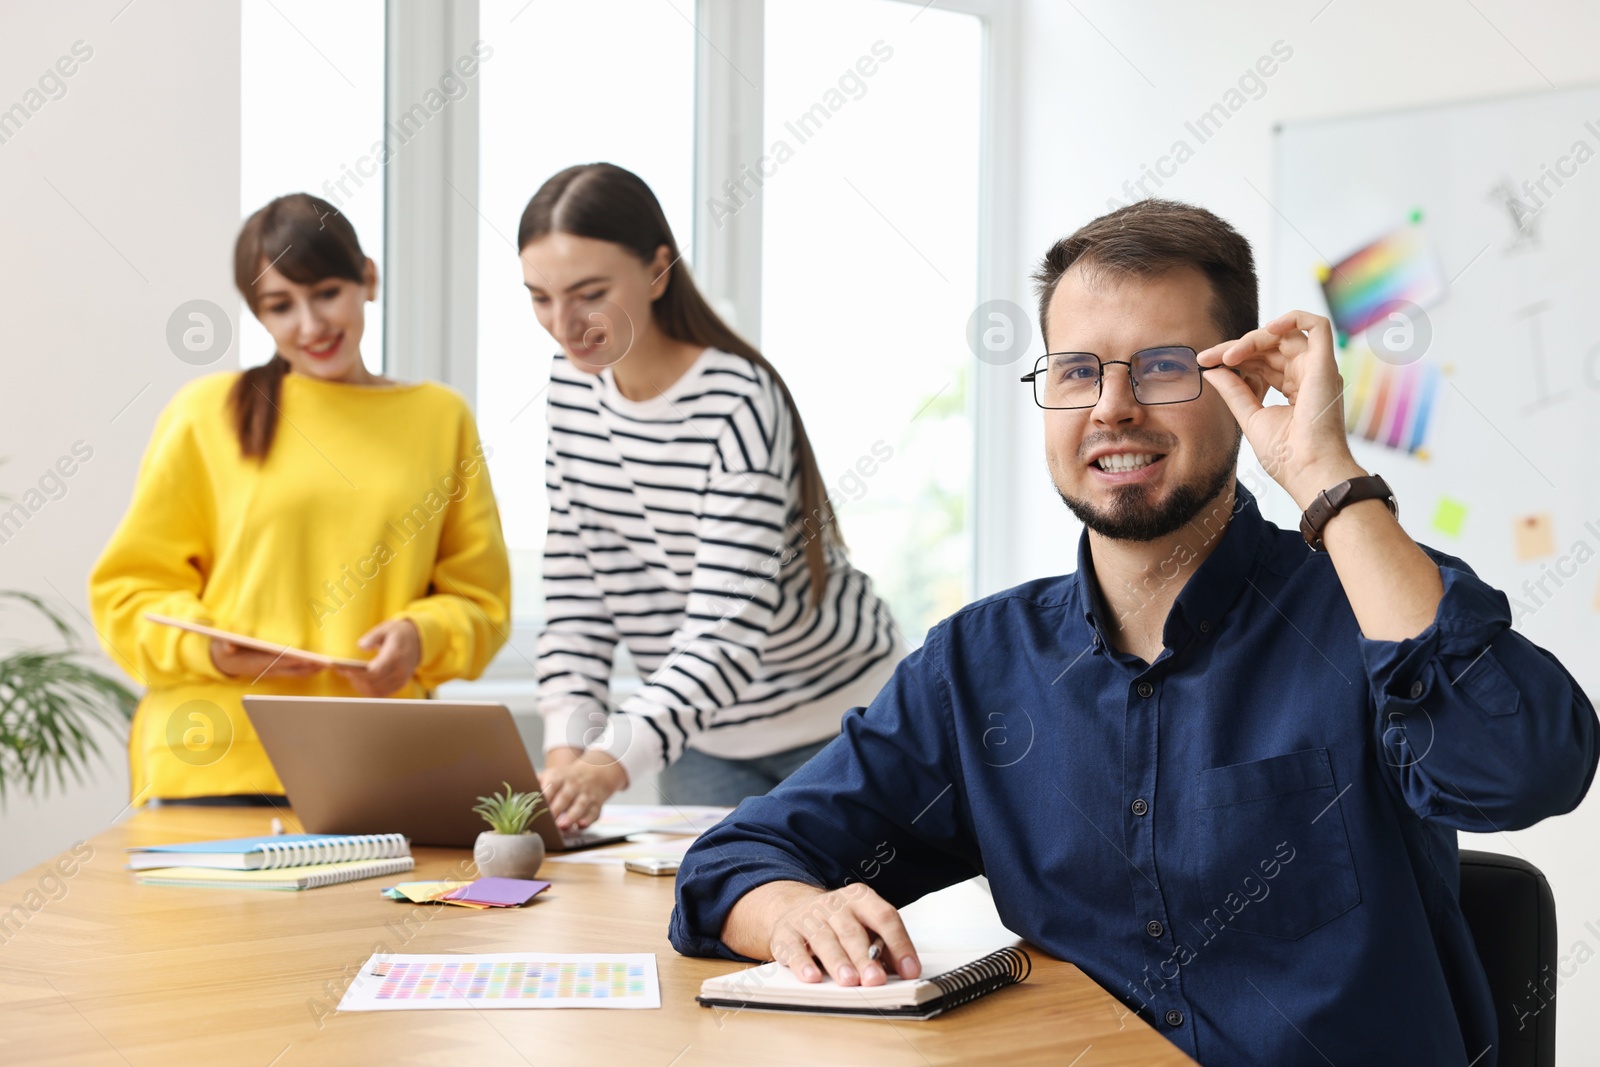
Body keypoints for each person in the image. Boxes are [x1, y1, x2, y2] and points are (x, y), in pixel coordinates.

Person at [668, 199, 1598, 1065]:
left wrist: (1323, 473)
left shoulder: (1369, 600)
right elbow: (733, 860)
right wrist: (792, 907)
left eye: (1161, 366)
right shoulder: (978, 668)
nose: (1111, 406)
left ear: (1239, 381)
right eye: (1077, 371)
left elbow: (1528, 769)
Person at [90, 194, 512, 805]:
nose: (310, 326)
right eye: (280, 306)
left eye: (326, 293)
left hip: (376, 762)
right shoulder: (205, 414)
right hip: (213, 759)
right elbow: (126, 596)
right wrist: (209, 648)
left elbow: (482, 603)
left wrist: (424, 636)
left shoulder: (439, 418)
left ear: (367, 278)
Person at [521, 163, 904, 829]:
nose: (564, 324)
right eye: (539, 297)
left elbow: (725, 629)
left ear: (657, 270)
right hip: (705, 734)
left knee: (855, 917)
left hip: (839, 718)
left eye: (590, 292)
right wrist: (566, 753)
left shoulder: (738, 400)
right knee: (712, 922)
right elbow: (578, 598)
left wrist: (607, 765)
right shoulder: (569, 392)